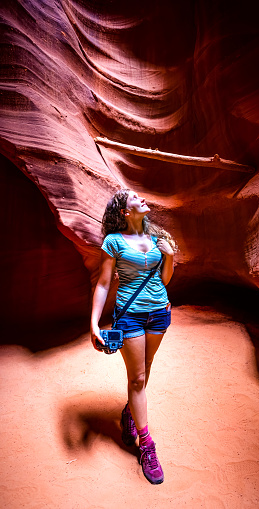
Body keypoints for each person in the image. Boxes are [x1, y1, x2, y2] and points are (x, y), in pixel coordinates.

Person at [90, 188, 175, 485]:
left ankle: (129, 412)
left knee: (145, 371)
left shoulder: (157, 239)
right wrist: (94, 323)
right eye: (134, 198)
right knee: (137, 379)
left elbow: (163, 280)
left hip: (159, 314)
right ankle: (147, 445)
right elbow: (103, 283)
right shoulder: (113, 241)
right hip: (130, 315)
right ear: (125, 212)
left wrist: (170, 258)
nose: (142, 198)